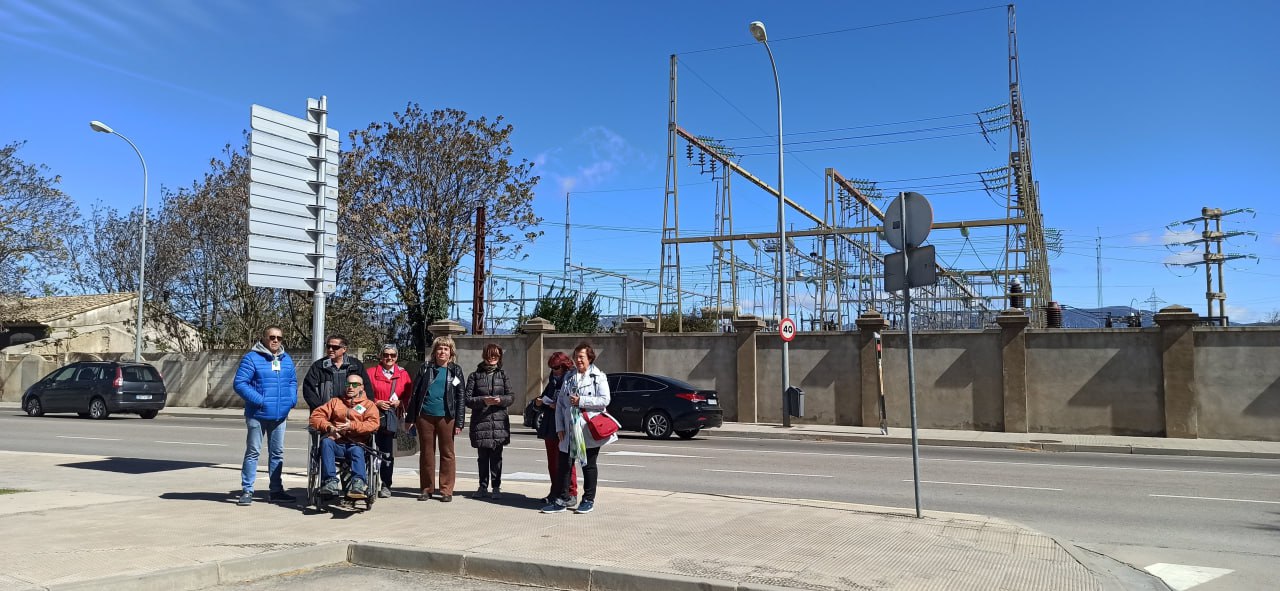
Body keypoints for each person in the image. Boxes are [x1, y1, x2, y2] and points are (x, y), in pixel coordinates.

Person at [541, 342, 616, 515]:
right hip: (568, 429)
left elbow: (605, 400)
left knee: (588, 464)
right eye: (576, 356)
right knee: (564, 464)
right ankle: (562, 498)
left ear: (590, 358)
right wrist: (560, 427)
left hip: (586, 429)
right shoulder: (569, 377)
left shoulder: (599, 377)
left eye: (581, 356)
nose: (578, 360)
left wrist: (581, 401)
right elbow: (560, 404)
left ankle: (588, 499)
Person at [232, 326, 298, 506]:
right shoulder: (251, 358)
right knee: (253, 452)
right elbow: (240, 383)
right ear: (263, 338)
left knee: (277, 453)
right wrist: (260, 400)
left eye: (279, 338)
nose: (276, 340)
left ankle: (276, 490)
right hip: (257, 415)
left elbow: (292, 381)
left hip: (279, 416)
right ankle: (247, 490)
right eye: (272, 337)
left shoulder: (286, 359)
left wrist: (291, 400)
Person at [403, 335, 467, 502]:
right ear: (435, 351)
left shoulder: (455, 370)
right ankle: (426, 488)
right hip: (425, 416)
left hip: (446, 418)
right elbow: (415, 394)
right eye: (440, 348)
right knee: (427, 453)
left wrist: (459, 421)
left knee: (447, 453)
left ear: (451, 352)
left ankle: (446, 490)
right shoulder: (425, 369)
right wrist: (410, 418)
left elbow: (461, 397)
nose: (442, 352)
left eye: (446, 349)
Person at [309, 375, 380, 499]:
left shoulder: (368, 405)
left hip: (356, 443)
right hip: (336, 442)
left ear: (362, 387)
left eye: (355, 385)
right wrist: (329, 427)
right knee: (326, 442)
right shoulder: (335, 402)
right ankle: (330, 482)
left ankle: (358, 484)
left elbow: (373, 424)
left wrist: (352, 426)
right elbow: (315, 416)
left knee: (357, 450)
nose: (351, 387)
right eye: (348, 384)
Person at [465, 343, 514, 499]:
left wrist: (501, 400)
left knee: (497, 457)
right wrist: (483, 400)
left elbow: (511, 396)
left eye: (496, 355)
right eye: (490, 355)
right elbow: (467, 399)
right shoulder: (474, 376)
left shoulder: (503, 375)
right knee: (482, 457)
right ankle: (482, 486)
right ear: (484, 356)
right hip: (481, 421)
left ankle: (496, 487)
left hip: (499, 422)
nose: (492, 358)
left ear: (499, 357)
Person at [365, 345, 412, 498]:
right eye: (386, 354)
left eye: (393, 355)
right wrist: (377, 402)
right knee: (367, 451)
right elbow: (362, 394)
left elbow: (410, 395)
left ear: (397, 357)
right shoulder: (371, 373)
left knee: (387, 453)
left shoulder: (403, 375)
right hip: (372, 417)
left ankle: (386, 484)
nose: (389, 358)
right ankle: (365, 482)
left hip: (392, 419)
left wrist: (401, 402)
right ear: (380, 356)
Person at [535, 351, 577, 505]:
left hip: (566, 426)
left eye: (557, 367)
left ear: (565, 365)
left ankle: (571, 493)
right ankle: (555, 491)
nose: (554, 371)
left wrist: (557, 406)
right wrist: (539, 402)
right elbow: (544, 397)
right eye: (552, 368)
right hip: (551, 426)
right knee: (553, 463)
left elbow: (572, 403)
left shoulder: (572, 378)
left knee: (567, 463)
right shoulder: (552, 380)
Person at [303, 333, 371, 411]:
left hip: (351, 414)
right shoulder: (318, 366)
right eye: (328, 346)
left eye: (335, 347)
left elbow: (367, 389)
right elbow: (308, 390)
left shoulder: (356, 365)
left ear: (344, 349)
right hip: (325, 414)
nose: (330, 350)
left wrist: (360, 411)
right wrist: (321, 409)